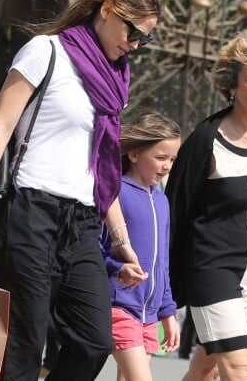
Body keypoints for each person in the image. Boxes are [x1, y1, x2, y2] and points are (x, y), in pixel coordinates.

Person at [0, 0, 161, 380]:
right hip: (30, 210)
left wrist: (120, 239)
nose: (136, 44)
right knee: (24, 344)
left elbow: (101, 168)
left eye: (145, 38)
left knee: (94, 340)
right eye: (133, 32)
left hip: (82, 221)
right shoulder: (46, 50)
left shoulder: (115, 78)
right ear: (107, 10)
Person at [165, 27, 247, 381]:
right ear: (232, 85)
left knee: (206, 368)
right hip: (210, 270)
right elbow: (174, 209)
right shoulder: (206, 139)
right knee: (241, 369)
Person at [100, 111, 181, 381]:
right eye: (160, 157)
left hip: (150, 314)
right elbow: (94, 248)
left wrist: (168, 312)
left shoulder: (162, 200)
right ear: (134, 154)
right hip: (120, 305)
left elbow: (164, 263)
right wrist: (117, 268)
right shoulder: (115, 192)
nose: (167, 165)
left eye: (172, 159)